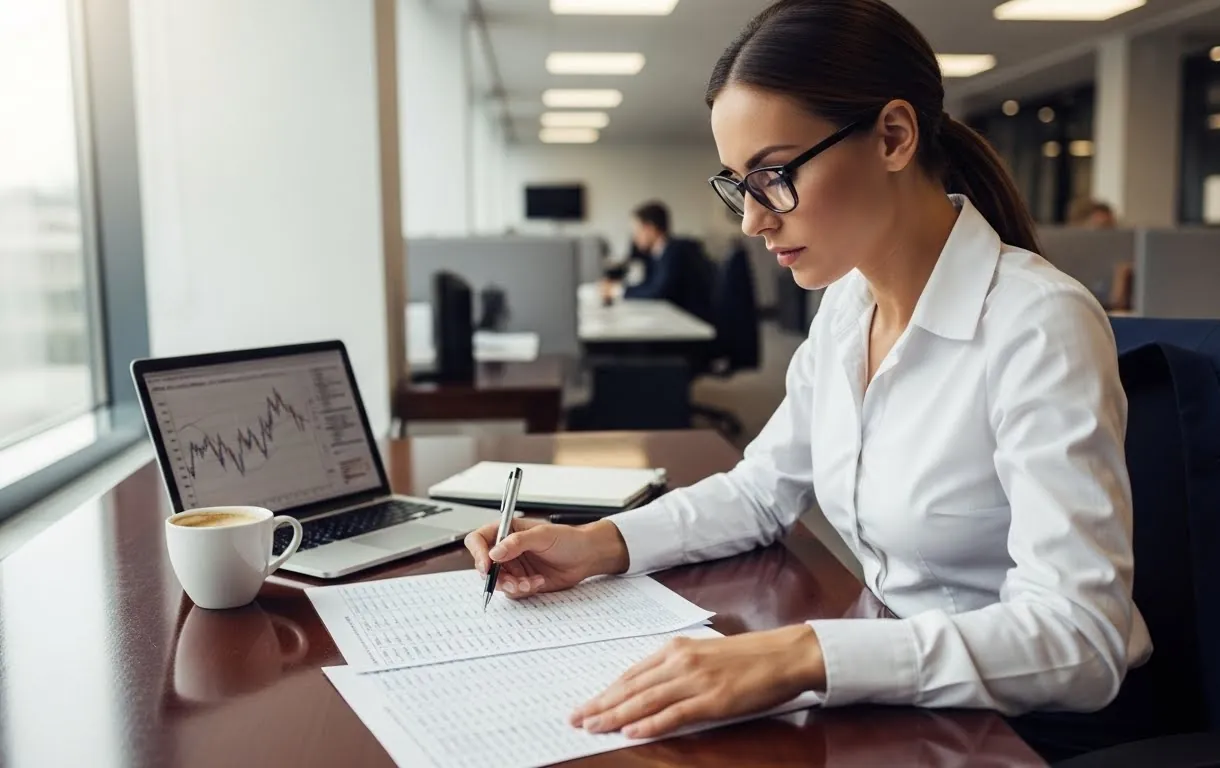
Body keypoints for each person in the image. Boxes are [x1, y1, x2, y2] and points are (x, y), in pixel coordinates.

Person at [467, 0, 1151, 758]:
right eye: (737, 184)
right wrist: (597, 544)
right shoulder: (848, 306)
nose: (751, 221)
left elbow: (1080, 640)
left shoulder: (1035, 323)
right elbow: (761, 490)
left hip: (1016, 727)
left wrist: (805, 655)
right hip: (900, 694)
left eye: (772, 175)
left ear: (892, 136)